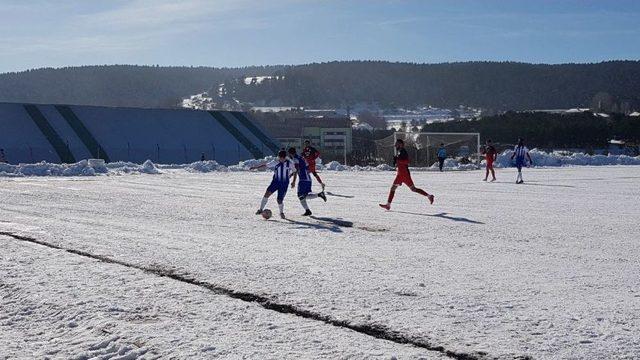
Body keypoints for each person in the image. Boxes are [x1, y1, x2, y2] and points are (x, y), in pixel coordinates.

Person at [379, 139, 434, 210]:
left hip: (404, 174)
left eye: (397, 144)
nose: (395, 145)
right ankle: (388, 205)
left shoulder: (403, 151)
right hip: (400, 174)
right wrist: (396, 161)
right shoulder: (399, 152)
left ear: (401, 144)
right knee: (395, 188)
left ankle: (429, 196)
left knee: (412, 189)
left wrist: (397, 160)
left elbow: (407, 161)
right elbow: (400, 162)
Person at [256, 150, 294, 219]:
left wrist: (292, 179)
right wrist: (256, 167)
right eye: (280, 157)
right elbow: (266, 165)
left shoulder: (290, 164)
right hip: (275, 183)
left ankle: (281, 213)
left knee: (279, 200)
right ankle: (260, 209)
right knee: (266, 194)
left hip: (284, 185)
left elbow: (295, 171)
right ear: (278, 157)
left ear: (285, 157)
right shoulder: (275, 162)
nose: (281, 159)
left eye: (283, 158)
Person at [289, 147, 326, 216]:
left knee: (300, 195)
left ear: (290, 154)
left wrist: (293, 181)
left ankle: (308, 210)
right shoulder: (302, 158)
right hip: (308, 178)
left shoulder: (295, 159)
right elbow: (307, 167)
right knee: (304, 195)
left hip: (303, 179)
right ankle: (318, 196)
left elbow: (296, 170)